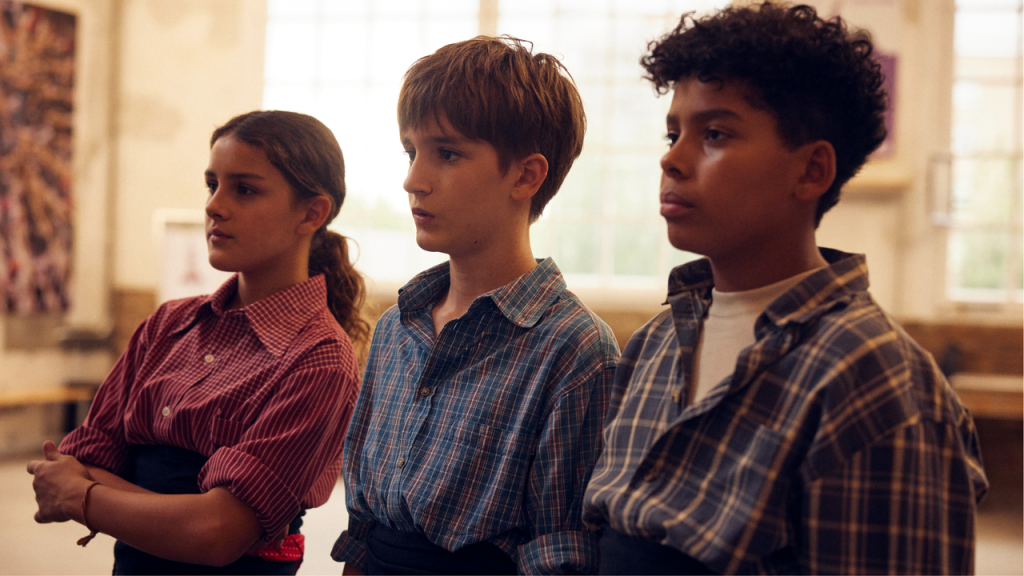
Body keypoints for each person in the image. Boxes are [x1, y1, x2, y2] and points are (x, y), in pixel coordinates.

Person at [581, 3, 989, 575]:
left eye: (715, 134)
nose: (671, 159)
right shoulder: (655, 346)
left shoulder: (873, 379)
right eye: (674, 133)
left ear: (811, 171)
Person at [27, 110, 370, 575]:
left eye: (244, 189)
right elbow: (86, 456)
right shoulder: (169, 324)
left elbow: (217, 536)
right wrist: (180, 515)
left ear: (311, 213)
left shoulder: (319, 358)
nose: (214, 205)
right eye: (213, 185)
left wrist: (83, 497)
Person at [331, 36, 620, 575]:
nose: (413, 180)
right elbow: (363, 528)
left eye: (447, 153)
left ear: (526, 175)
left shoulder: (573, 349)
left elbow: (561, 554)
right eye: (410, 151)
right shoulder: (399, 326)